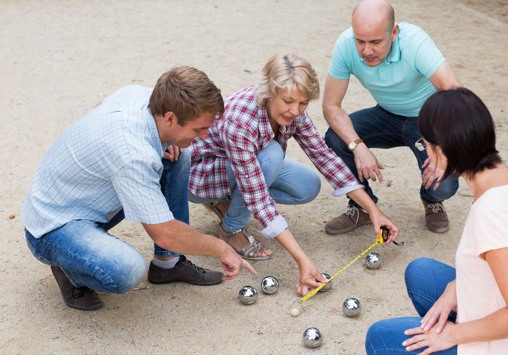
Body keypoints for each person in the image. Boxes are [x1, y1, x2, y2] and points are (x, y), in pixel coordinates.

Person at [21, 66, 256, 311]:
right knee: (125, 271)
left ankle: (168, 263)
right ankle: (69, 270)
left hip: (81, 197)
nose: (205, 135)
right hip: (53, 226)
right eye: (198, 129)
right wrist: (221, 248)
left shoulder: (144, 97)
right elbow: (165, 232)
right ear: (170, 118)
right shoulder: (134, 154)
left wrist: (163, 143)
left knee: (178, 156)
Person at [365, 87, 508, 355]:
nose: (424, 151)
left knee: (378, 340)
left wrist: (454, 334)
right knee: (421, 272)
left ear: (442, 152)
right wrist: (457, 285)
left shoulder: (494, 213)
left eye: (425, 145)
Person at [188, 54, 399, 296]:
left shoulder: (293, 110)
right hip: (201, 175)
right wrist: (302, 260)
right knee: (272, 155)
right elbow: (258, 197)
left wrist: (374, 210)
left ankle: (227, 201)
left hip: (248, 165)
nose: (295, 111)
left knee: (307, 186)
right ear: (269, 91)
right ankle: (232, 228)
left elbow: (323, 156)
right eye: (288, 101)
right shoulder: (240, 119)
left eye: (303, 103)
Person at [323, 0, 461, 235]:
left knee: (443, 185)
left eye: (376, 42)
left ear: (394, 32)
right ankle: (363, 206)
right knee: (336, 138)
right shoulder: (345, 44)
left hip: (427, 120)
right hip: (386, 115)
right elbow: (331, 106)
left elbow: (455, 94)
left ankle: (431, 199)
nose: (366, 51)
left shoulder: (414, 41)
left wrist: (442, 149)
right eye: (360, 41)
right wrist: (357, 147)